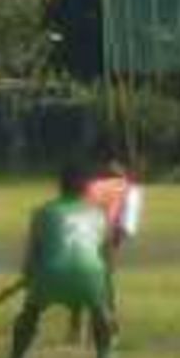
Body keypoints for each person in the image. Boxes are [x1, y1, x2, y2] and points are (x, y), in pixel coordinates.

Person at [0, 161, 123, 358]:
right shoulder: (99, 214)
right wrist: (106, 299)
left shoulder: (42, 212)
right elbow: (107, 261)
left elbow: (30, 261)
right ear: (86, 188)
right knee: (100, 312)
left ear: (59, 186)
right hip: (90, 274)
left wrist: (30, 276)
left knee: (29, 314)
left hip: (50, 275)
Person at [67, 138, 143, 341]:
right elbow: (126, 226)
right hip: (99, 232)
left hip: (88, 231)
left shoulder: (93, 182)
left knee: (85, 279)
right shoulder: (128, 187)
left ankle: (79, 329)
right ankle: (104, 326)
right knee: (103, 280)